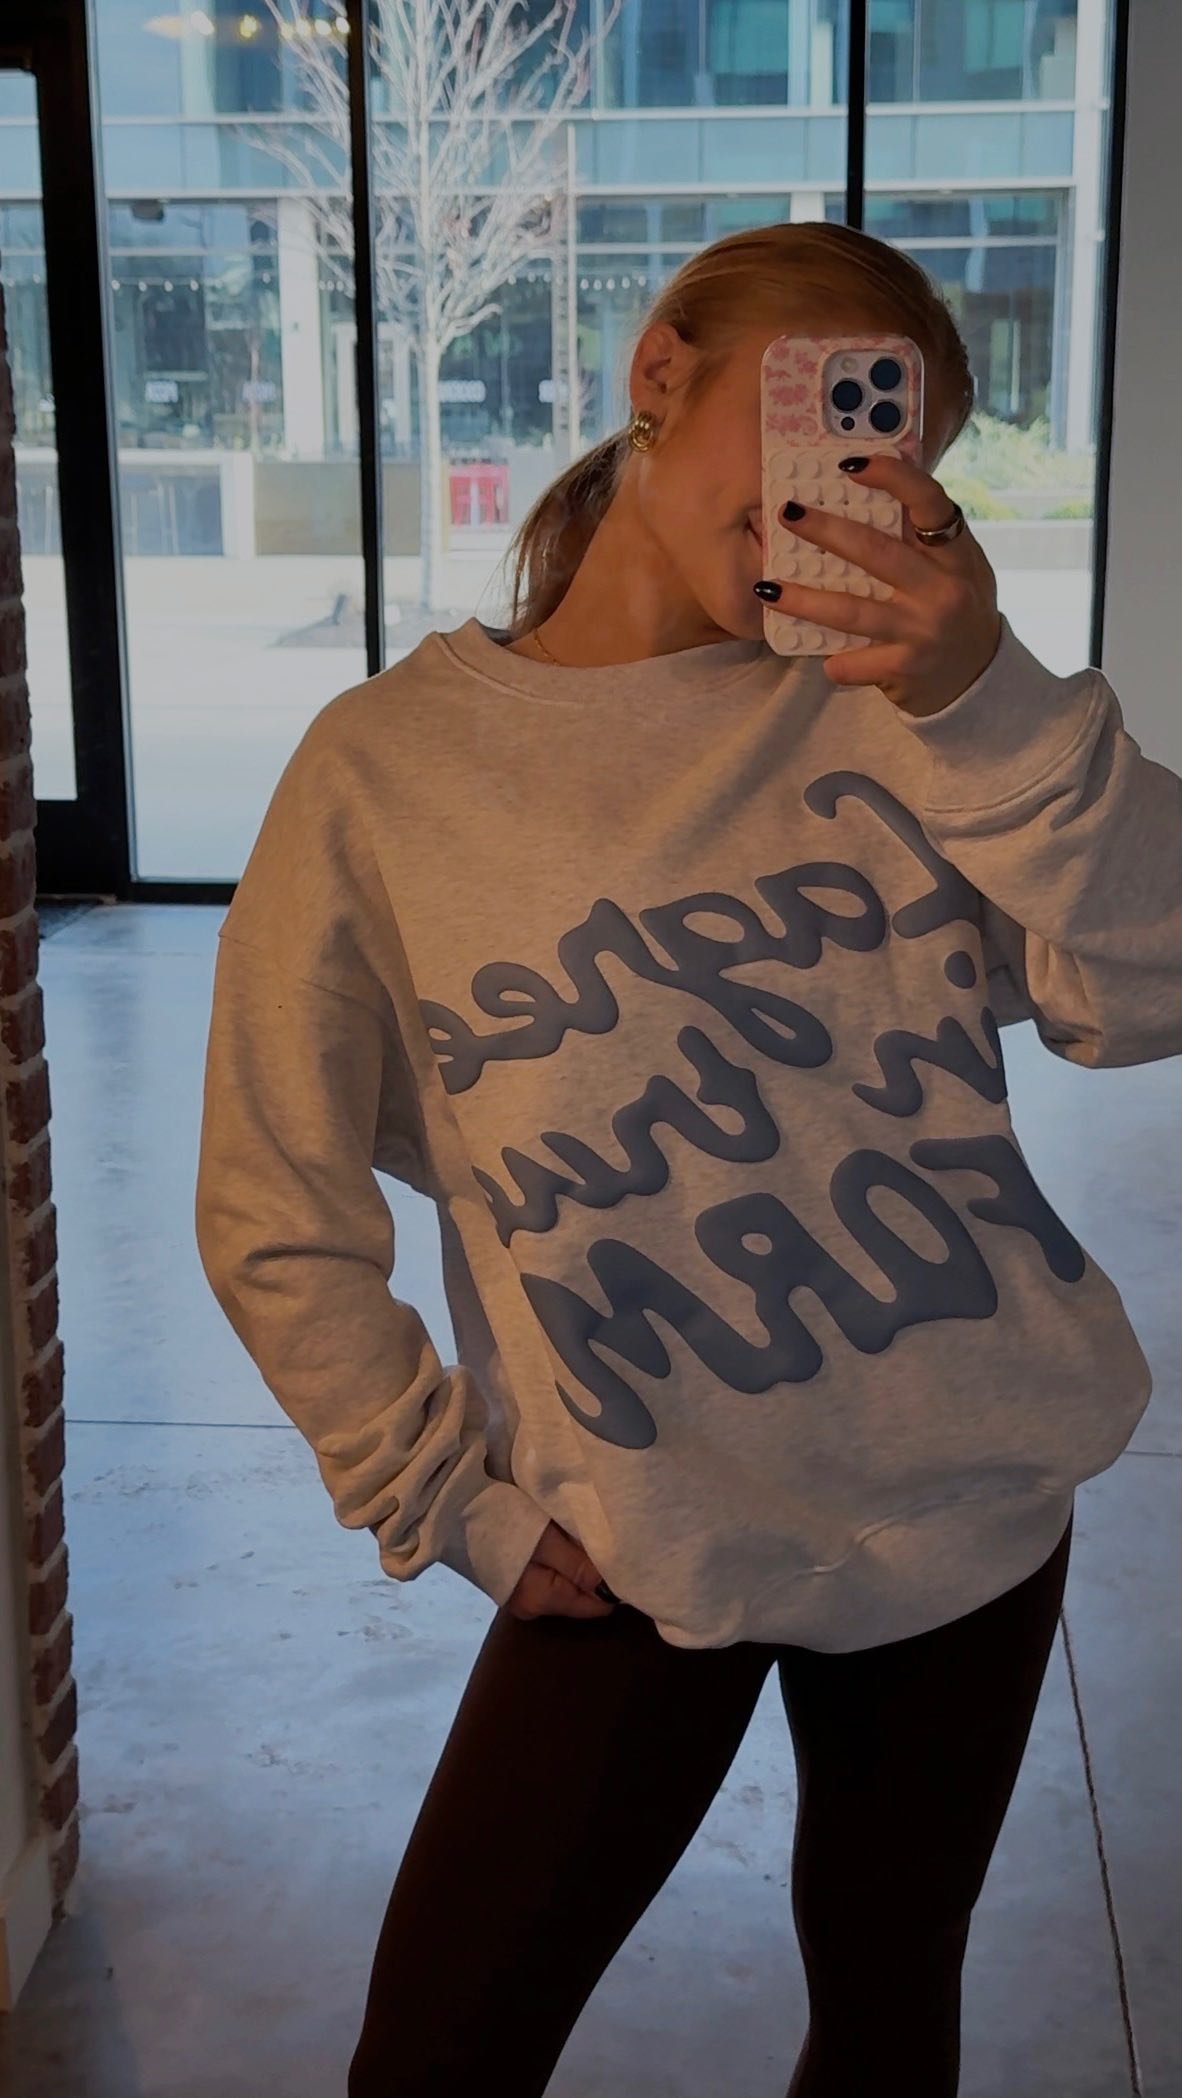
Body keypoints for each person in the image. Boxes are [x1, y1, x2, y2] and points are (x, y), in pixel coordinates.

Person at [194, 220, 1181, 2098]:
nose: (850, 473)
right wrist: (440, 1489)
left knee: (886, 2013)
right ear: (662, 372)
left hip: (963, 1496)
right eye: (820, 404)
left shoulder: (907, 706)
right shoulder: (385, 769)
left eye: (895, 444)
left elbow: (1152, 978)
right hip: (632, 1533)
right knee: (436, 2055)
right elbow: (272, 1198)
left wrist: (983, 692)